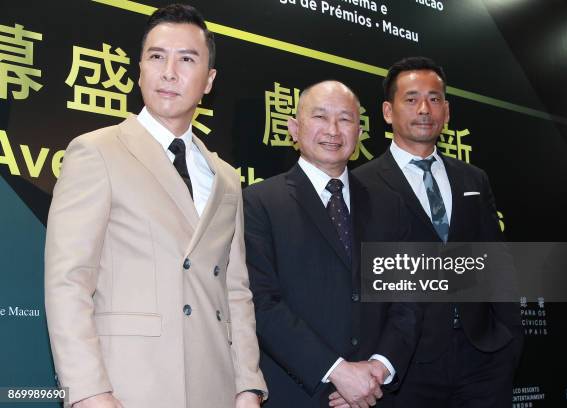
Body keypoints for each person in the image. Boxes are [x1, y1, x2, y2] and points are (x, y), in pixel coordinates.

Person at [45, 4, 266, 408]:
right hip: (129, 384)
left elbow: (235, 290)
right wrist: (88, 392)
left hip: (215, 386)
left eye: (187, 59)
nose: (169, 72)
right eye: (157, 57)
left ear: (209, 80)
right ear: (140, 69)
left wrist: (248, 384)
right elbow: (68, 280)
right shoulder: (97, 152)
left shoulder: (226, 177)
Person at [354, 57, 523, 407]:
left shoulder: (473, 179)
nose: (424, 109)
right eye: (411, 98)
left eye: (434, 99)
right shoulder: (361, 185)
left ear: (446, 110)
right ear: (388, 111)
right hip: (407, 364)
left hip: (484, 356)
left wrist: (509, 337)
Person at [243, 80, 416, 408]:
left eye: (345, 119)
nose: (333, 130)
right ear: (295, 128)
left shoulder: (389, 206)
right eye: (320, 117)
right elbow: (261, 303)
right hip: (298, 393)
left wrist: (380, 367)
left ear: (360, 131)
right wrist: (336, 370)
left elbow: (406, 300)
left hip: (375, 394)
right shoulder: (259, 202)